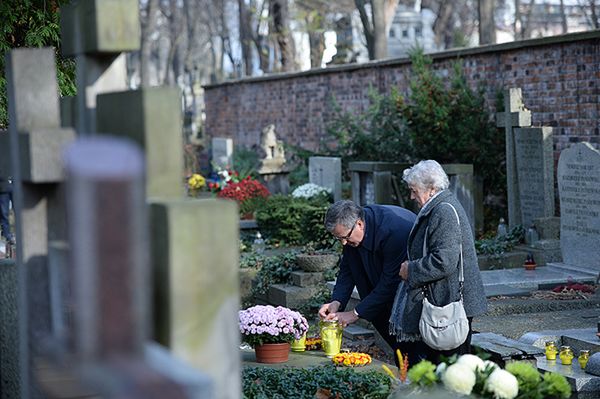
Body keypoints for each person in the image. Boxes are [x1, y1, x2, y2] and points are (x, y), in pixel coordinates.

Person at [394, 160, 487, 364]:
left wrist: (411, 269)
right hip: (444, 298)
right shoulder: (439, 207)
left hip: (449, 301)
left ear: (432, 188)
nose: (411, 196)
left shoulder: (443, 210)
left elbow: (444, 261)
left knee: (451, 367)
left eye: (413, 190)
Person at [318, 200, 425, 365]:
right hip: (378, 294)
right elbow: (347, 269)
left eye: (345, 237)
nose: (344, 243)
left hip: (409, 298)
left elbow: (390, 283)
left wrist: (354, 314)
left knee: (415, 355)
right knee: (400, 354)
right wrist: (336, 302)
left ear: (359, 224)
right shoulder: (352, 231)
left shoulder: (394, 230)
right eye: (338, 238)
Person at [0, 177, 14, 245]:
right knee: (4, 213)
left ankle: (23, 232)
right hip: (3, 187)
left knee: (20, 211)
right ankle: (7, 235)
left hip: (16, 186)